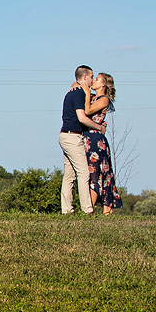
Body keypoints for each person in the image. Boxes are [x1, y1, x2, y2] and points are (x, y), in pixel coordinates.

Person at [58, 65, 104, 215]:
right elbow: (82, 117)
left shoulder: (74, 91)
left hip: (65, 135)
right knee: (83, 173)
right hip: (72, 136)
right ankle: (87, 209)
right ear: (85, 77)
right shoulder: (78, 93)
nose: (92, 79)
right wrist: (98, 127)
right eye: (91, 77)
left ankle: (67, 210)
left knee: (69, 175)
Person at [78, 72, 122, 215]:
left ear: (103, 84)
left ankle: (91, 209)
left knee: (96, 175)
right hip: (86, 137)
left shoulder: (104, 100)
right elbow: (75, 85)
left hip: (96, 140)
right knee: (89, 174)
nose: (94, 81)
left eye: (97, 79)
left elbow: (88, 110)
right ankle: (93, 207)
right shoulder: (91, 96)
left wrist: (85, 92)